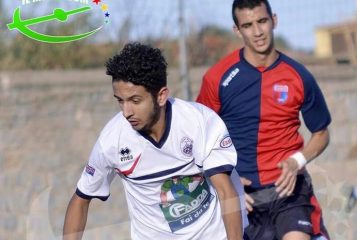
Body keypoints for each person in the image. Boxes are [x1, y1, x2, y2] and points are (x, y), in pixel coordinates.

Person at [63, 42, 246, 240]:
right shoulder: (112, 140)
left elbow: (226, 191)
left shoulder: (198, 122)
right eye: (120, 100)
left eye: (135, 101)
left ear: (161, 96)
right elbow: (81, 200)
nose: (126, 112)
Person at [196, 0, 331, 239]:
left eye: (262, 21)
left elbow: (321, 133)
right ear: (237, 30)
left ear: (274, 20)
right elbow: (197, 139)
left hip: (289, 191)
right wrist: (228, 184)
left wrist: (296, 161)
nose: (257, 32)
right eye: (248, 25)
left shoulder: (299, 76)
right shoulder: (217, 78)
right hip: (242, 197)